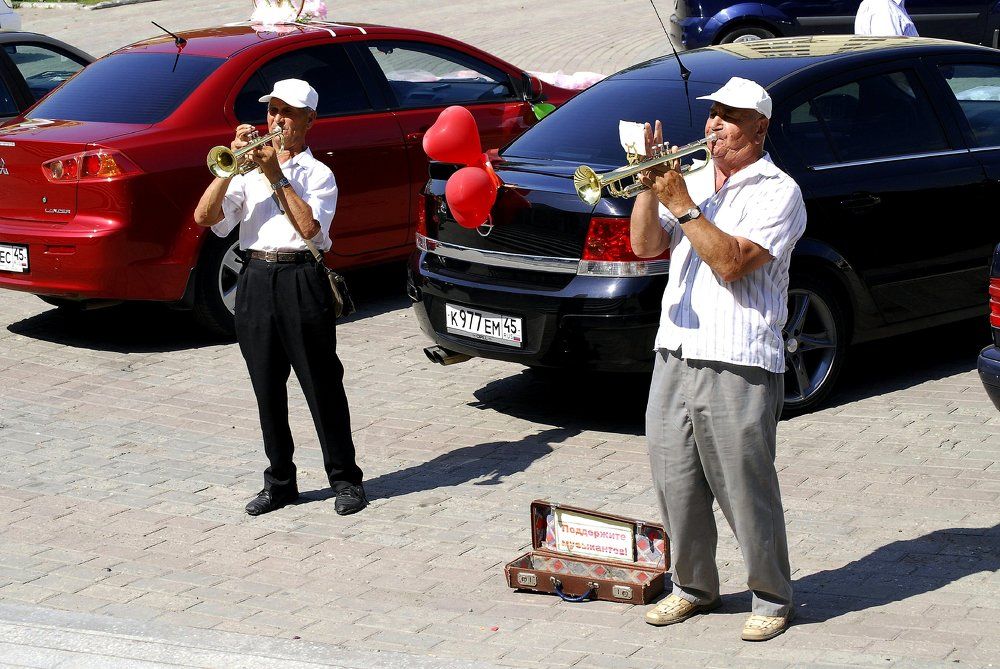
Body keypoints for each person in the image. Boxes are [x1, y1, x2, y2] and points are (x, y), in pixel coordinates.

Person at [630, 77, 806, 641]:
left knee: (743, 486)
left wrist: (680, 204)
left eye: (729, 118)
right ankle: (693, 588)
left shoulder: (777, 191)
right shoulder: (694, 178)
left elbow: (731, 263)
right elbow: (643, 247)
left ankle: (771, 595)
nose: (714, 126)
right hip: (675, 348)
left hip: (739, 355)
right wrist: (646, 184)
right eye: (712, 115)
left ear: (760, 127)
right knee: (674, 479)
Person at [194, 78, 367, 517]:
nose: (276, 120)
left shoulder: (318, 174)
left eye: (287, 112)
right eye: (272, 110)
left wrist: (275, 174)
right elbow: (205, 217)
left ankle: (345, 479)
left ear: (310, 119)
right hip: (254, 277)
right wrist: (228, 169)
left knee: (321, 384)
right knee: (266, 387)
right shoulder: (246, 169)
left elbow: (311, 230)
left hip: (300, 277)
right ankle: (281, 482)